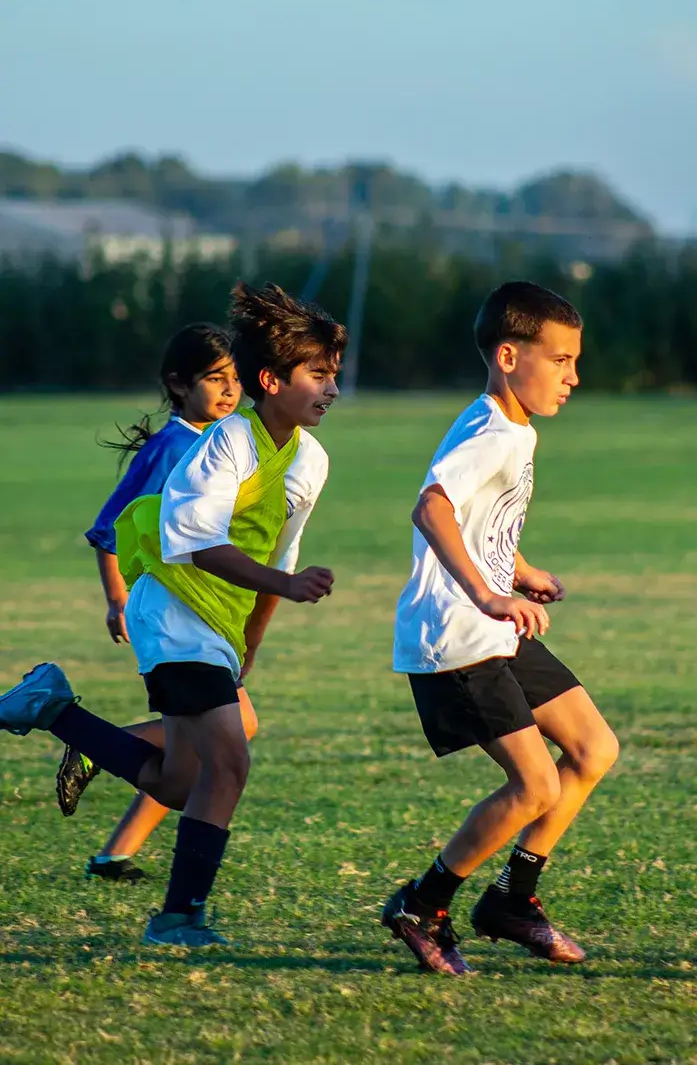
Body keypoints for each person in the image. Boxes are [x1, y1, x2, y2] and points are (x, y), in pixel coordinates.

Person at [0, 282, 347, 948]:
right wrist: (285, 582)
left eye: (334, 376)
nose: (332, 389)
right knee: (230, 763)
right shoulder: (229, 444)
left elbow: (278, 561)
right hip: (174, 610)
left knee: (175, 779)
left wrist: (249, 648)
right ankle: (179, 916)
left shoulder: (310, 459)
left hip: (217, 624)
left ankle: (54, 708)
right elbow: (195, 542)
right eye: (318, 375)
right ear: (271, 380)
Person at [383, 281, 619, 975]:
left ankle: (513, 899)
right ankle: (421, 904)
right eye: (562, 359)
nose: (574, 375)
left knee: (593, 748)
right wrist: (488, 593)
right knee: (535, 784)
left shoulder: (517, 428)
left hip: (492, 625)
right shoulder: (488, 431)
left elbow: (479, 517)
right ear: (510, 355)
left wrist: (517, 569)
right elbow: (432, 509)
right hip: (454, 636)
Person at [56, 322, 246, 884]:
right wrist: (116, 599)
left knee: (195, 762)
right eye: (215, 379)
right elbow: (110, 527)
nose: (230, 390)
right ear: (178, 385)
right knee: (229, 740)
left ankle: (115, 852)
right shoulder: (173, 447)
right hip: (172, 612)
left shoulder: (221, 440)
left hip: (205, 611)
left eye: (235, 378)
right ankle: (94, 746)